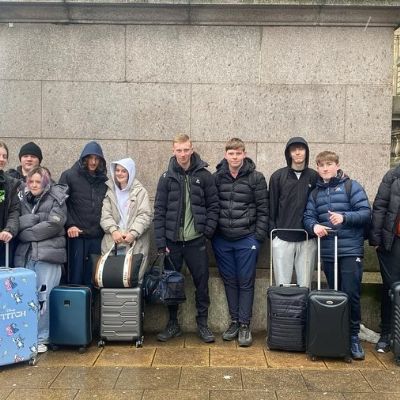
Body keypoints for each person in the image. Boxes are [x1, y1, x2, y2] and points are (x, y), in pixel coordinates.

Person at [303, 150, 371, 360]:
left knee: (351, 294)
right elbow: (308, 216)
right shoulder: (315, 193)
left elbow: (365, 213)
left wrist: (344, 217)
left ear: (337, 165)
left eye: (329, 164)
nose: (325, 169)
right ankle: (336, 336)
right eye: (321, 165)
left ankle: (353, 336)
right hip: (329, 252)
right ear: (317, 168)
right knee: (335, 296)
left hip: (350, 251)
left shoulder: (352, 186)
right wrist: (314, 226)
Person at [153, 134, 219, 343]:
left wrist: (207, 232)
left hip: (196, 241)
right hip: (172, 242)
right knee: (171, 284)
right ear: (173, 151)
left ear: (192, 149)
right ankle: (173, 324)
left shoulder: (205, 176)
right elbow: (159, 211)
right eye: (179, 150)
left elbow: (214, 206)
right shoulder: (166, 177)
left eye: (186, 150)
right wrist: (161, 243)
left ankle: (203, 324)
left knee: (202, 284)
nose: (182, 154)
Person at [212, 138, 268, 346]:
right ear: (225, 155)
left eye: (238, 153)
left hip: (247, 238)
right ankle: (234, 321)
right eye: (231, 153)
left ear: (244, 154)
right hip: (222, 240)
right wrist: (213, 234)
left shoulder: (256, 178)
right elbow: (212, 206)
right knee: (229, 280)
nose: (235, 157)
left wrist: (257, 237)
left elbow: (263, 209)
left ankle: (245, 325)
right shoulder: (216, 178)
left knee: (245, 281)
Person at [14, 166, 68, 353]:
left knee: (44, 299)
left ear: (45, 183)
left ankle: (42, 338)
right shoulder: (21, 198)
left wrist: (25, 233)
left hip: (48, 256)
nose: (34, 185)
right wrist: (27, 222)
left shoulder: (57, 197)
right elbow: (15, 222)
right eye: (31, 181)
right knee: (26, 298)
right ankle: (28, 336)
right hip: (25, 255)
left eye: (38, 181)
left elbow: (54, 224)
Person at [269, 137, 318, 288]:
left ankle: (304, 306)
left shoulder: (314, 177)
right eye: (294, 149)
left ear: (306, 152)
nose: (297, 153)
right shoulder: (278, 176)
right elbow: (271, 206)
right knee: (282, 286)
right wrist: (273, 235)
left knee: (305, 286)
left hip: (307, 238)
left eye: (301, 149)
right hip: (282, 238)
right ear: (288, 153)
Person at [59, 141, 107, 285]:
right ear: (84, 158)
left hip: (97, 236)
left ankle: (92, 300)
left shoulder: (103, 181)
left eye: (97, 158)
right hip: (76, 236)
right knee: (75, 277)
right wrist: (70, 225)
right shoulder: (69, 176)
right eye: (90, 158)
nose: (93, 162)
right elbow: (60, 203)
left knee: (93, 278)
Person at [100, 157, 152, 281]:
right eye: (117, 170)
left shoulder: (140, 192)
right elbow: (105, 215)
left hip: (134, 242)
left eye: (124, 171)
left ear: (130, 172)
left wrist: (133, 233)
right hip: (113, 241)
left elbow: (145, 215)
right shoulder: (110, 191)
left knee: (131, 278)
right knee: (113, 279)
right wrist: (113, 231)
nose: (120, 173)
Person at [369, 164, 400, 353]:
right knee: (391, 288)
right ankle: (387, 333)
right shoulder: (393, 175)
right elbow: (380, 206)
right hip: (394, 241)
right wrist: (376, 240)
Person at [0, 142, 20, 266]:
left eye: (4, 156)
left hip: (3, 243)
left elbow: (14, 211)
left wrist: (9, 230)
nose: (2, 159)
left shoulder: (11, 183)